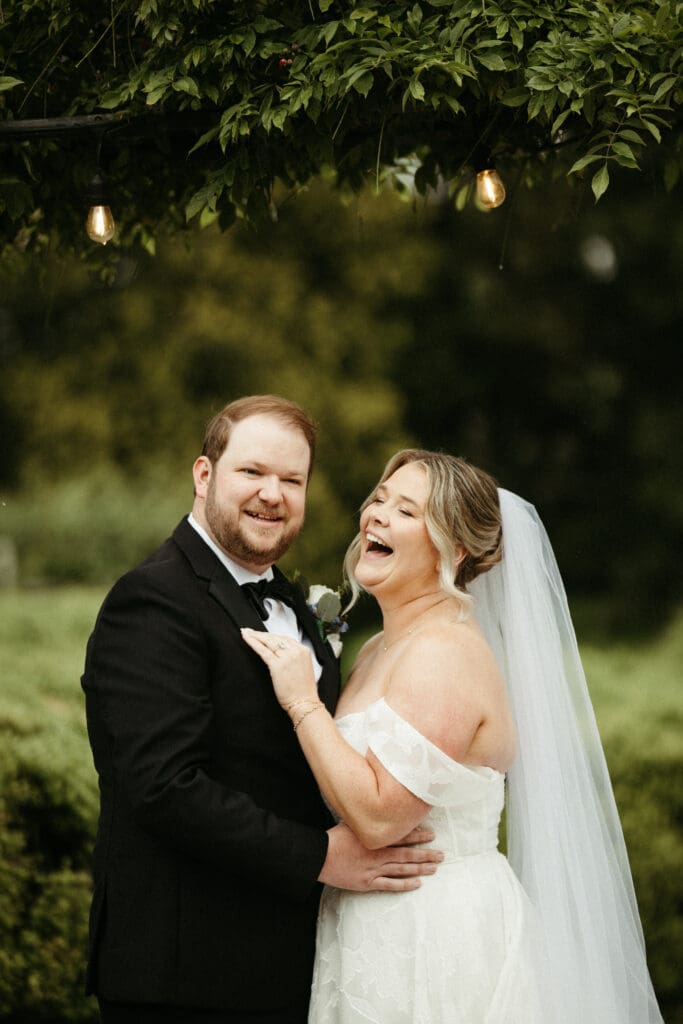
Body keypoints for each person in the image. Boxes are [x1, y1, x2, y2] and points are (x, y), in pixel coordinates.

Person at [243, 448, 665, 1024]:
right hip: (373, 924)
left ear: (456, 549)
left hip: (435, 933)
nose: (377, 516)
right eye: (380, 500)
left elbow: (379, 817)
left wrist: (300, 702)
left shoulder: (445, 652)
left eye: (407, 511)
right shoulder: (377, 648)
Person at [81, 397, 442, 1024]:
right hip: (185, 975)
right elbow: (164, 787)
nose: (272, 494)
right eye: (253, 472)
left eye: (292, 480)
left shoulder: (295, 606)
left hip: (285, 965)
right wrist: (321, 857)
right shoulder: (153, 600)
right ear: (204, 475)